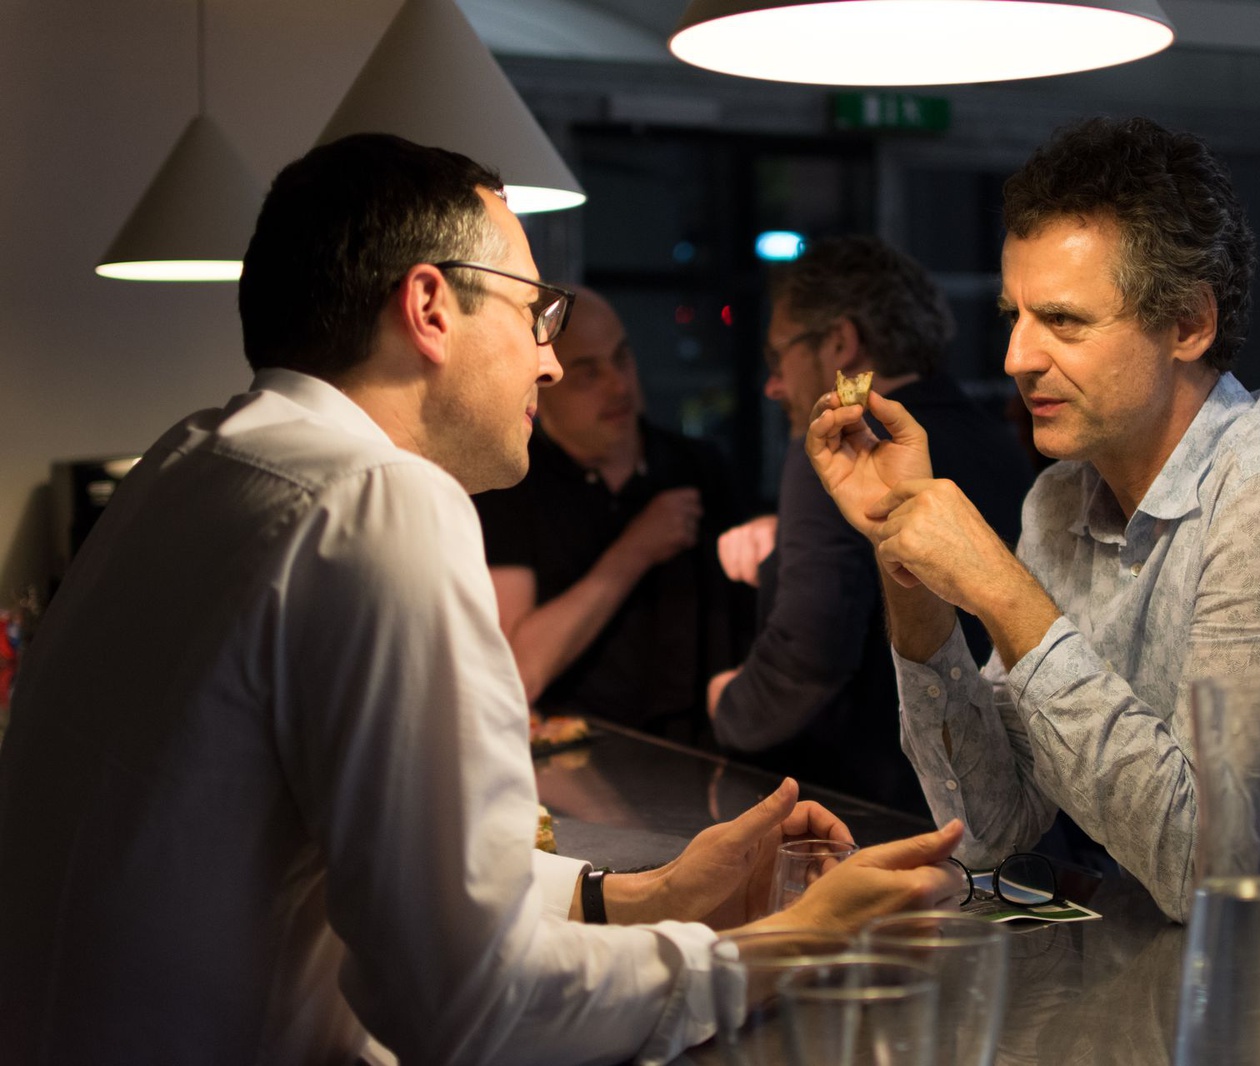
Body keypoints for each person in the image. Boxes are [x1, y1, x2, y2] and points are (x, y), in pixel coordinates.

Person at [0, 134, 964, 1065]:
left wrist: (652, 893)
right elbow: (471, 1008)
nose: (551, 360)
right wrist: (794, 943)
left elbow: (404, 885)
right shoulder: (376, 499)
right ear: (429, 307)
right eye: (535, 312)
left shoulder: (190, 459)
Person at [804, 117, 1260, 923]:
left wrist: (1004, 592)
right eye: (1014, 316)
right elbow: (989, 826)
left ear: (1188, 324)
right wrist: (899, 540)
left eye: (1064, 321)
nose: (1016, 358)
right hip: (1210, 978)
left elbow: (1214, 873)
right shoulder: (1060, 500)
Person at [708, 236, 1034, 814]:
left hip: (877, 805)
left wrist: (727, 704)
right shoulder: (999, 440)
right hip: (1002, 799)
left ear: (840, 341)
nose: (773, 385)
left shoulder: (842, 445)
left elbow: (810, 652)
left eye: (779, 357)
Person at [473, 285, 738, 745]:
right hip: (576, 755)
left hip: (702, 751)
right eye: (588, 374)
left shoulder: (698, 467)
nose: (618, 385)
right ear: (543, 384)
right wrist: (635, 550)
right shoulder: (511, 486)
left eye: (622, 359)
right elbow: (517, 676)